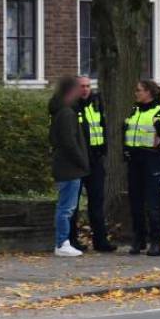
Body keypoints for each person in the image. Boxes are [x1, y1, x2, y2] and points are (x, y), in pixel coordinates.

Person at [124, 80, 160, 256]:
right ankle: (139, 239)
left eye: (139, 90)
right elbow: (129, 134)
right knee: (135, 203)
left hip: (152, 160)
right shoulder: (135, 110)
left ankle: (156, 241)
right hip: (135, 161)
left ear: (148, 93)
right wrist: (126, 150)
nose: (135, 93)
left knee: (153, 204)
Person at [72, 75, 116, 252]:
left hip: (96, 160)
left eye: (88, 86)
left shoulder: (96, 104)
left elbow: (102, 128)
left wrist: (103, 151)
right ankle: (72, 241)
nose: (85, 89)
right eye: (81, 86)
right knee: (72, 205)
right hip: (78, 162)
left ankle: (100, 241)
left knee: (97, 203)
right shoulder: (72, 107)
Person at [48, 76, 89, 257]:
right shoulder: (67, 114)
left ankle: (63, 241)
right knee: (66, 208)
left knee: (66, 207)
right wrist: (82, 161)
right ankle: (62, 242)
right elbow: (69, 142)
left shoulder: (60, 112)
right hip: (69, 167)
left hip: (65, 166)